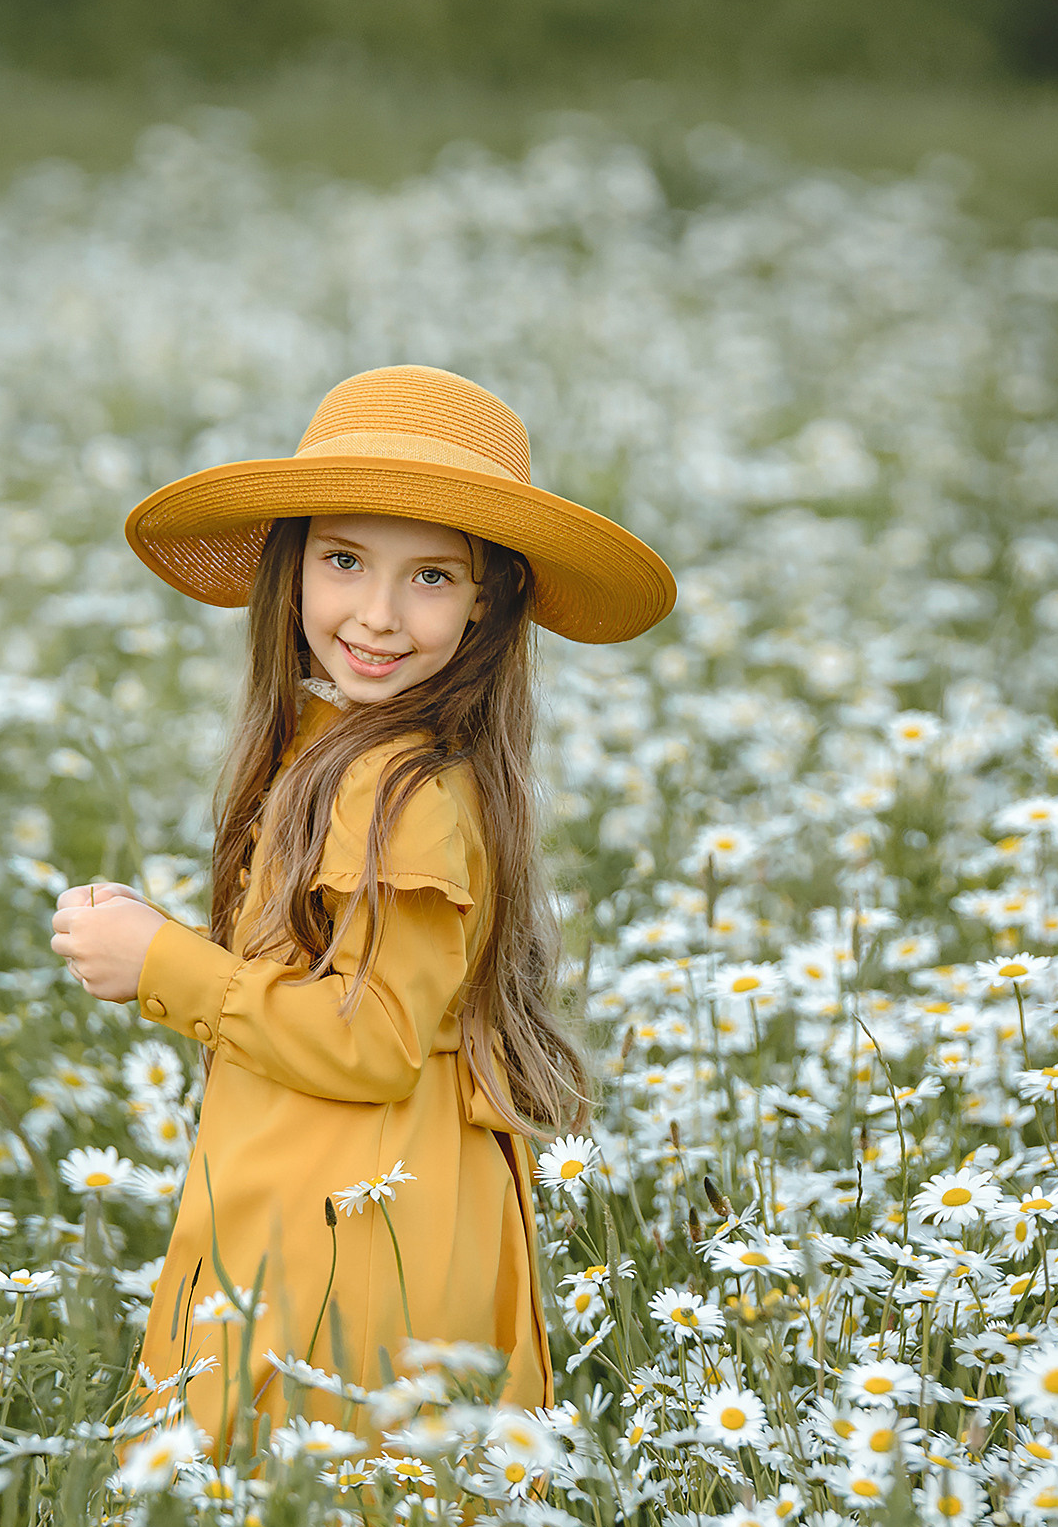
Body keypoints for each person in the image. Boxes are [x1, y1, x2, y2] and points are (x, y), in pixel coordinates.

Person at [49, 363, 674, 1453]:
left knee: (335, 1519)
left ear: (490, 603)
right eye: (345, 561)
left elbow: (372, 1042)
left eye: (430, 577)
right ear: (291, 571)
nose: (378, 616)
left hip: (361, 1226)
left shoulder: (406, 794)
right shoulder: (331, 754)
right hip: (315, 1194)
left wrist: (163, 965)